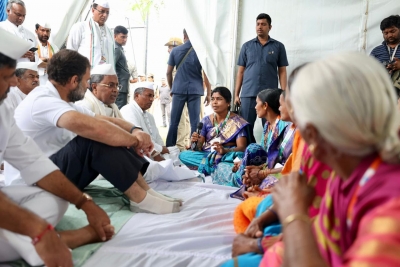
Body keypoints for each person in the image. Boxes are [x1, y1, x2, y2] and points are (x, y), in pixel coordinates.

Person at [258, 53, 400, 267]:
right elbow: (322, 237)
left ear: (312, 134)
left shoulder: (391, 210)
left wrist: (293, 214)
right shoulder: (351, 169)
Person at [6, 49, 181, 214]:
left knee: (113, 134)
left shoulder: (64, 100)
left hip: (50, 176)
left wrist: (135, 131)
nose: (88, 86)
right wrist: (134, 140)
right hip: (32, 186)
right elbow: (96, 128)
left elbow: (101, 119)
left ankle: (145, 191)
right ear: (74, 80)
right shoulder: (43, 100)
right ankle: (139, 198)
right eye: (86, 81)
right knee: (96, 138)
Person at [0, 27, 113, 267]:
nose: (13, 83)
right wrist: (39, 229)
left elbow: (33, 161)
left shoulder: (3, 110)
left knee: (57, 197)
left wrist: (85, 203)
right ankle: (62, 240)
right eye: (5, 76)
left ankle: (33, 244)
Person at [228, 89, 294, 198]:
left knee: (252, 149)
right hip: (272, 166)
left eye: (281, 105)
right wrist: (258, 169)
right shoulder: (270, 126)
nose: (279, 108)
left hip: (281, 171)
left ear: (265, 105)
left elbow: (287, 162)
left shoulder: (285, 126)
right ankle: (247, 179)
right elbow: (268, 154)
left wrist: (262, 172)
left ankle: (243, 179)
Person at [234, 13, 288, 142]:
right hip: (248, 93)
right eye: (258, 24)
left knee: (271, 127)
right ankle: (247, 155)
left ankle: (269, 156)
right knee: (245, 128)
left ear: (270, 27)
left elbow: (282, 71)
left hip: (270, 96)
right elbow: (240, 72)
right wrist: (236, 94)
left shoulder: (278, 46)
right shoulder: (247, 46)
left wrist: (284, 93)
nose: (260, 27)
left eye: (263, 24)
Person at [179, 87, 249, 176]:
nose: (214, 102)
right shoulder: (205, 120)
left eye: (219, 99)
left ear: (228, 103)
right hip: (208, 154)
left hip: (228, 154)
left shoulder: (237, 122)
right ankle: (219, 166)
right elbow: (199, 147)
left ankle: (210, 166)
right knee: (183, 155)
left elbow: (242, 147)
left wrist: (225, 150)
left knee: (239, 157)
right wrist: (196, 142)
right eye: (212, 99)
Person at [166, 29, 211, 147]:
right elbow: (206, 74)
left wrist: (172, 88)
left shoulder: (175, 51)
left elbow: (168, 72)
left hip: (178, 89)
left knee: (174, 122)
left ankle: (170, 147)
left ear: (184, 35)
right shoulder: (201, 51)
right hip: (195, 90)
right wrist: (209, 93)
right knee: (195, 122)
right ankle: (194, 147)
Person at [120, 82, 170, 162]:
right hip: (140, 157)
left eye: (153, 96)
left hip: (156, 153)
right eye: (149, 95)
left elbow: (158, 138)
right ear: (137, 96)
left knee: (175, 151)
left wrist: (163, 150)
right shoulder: (128, 110)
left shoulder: (150, 116)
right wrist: (160, 150)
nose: (152, 99)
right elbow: (139, 139)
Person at [67, 0, 114, 68]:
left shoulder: (110, 33)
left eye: (107, 12)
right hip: (86, 74)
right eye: (102, 11)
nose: (105, 15)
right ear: (93, 10)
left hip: (106, 75)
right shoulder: (80, 27)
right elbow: (70, 53)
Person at [165, 36, 190, 151]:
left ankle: (180, 145)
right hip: (180, 91)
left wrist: (172, 89)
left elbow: (169, 74)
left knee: (180, 119)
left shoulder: (180, 59)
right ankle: (182, 143)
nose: (168, 50)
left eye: (170, 47)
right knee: (181, 119)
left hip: (181, 92)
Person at [114, 25, 130, 109]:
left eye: (126, 37)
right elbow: (112, 66)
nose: (125, 40)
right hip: (120, 86)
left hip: (122, 86)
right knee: (120, 111)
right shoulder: (116, 49)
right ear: (115, 36)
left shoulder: (120, 48)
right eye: (122, 37)